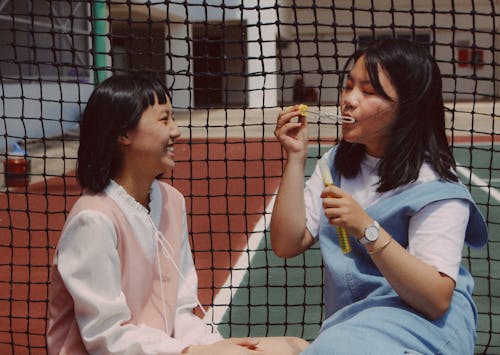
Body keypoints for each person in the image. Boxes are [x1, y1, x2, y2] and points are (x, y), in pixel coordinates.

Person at [46, 73, 309, 355]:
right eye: (164, 119)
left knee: (296, 347)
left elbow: (181, 309)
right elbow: (105, 338)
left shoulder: (171, 200)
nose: (176, 131)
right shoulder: (93, 219)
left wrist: (213, 346)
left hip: (168, 349)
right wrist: (192, 353)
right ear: (123, 134)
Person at [271, 38, 488, 354]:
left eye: (369, 92)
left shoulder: (436, 185)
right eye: (348, 87)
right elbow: (287, 243)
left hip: (425, 328)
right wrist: (295, 158)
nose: (349, 100)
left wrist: (366, 228)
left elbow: (437, 299)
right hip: (355, 327)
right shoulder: (334, 165)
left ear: (408, 106)